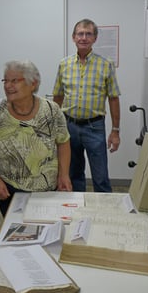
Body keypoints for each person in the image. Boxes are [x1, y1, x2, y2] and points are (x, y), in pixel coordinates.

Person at [0, 60, 72, 216]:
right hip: (10, 190)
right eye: (6, 81)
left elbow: (63, 142)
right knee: (17, 234)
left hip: (47, 190)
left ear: (33, 84)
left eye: (14, 81)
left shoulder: (51, 110)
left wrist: (64, 174)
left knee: (46, 232)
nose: (8, 86)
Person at [53, 18, 121, 193]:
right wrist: (54, 126)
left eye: (88, 34)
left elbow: (113, 98)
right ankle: (77, 214)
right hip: (69, 127)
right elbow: (58, 96)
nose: (84, 37)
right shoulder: (64, 64)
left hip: (94, 127)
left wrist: (115, 131)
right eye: (80, 34)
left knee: (101, 177)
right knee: (73, 175)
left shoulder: (106, 65)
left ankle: (103, 215)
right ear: (74, 37)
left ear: (95, 38)